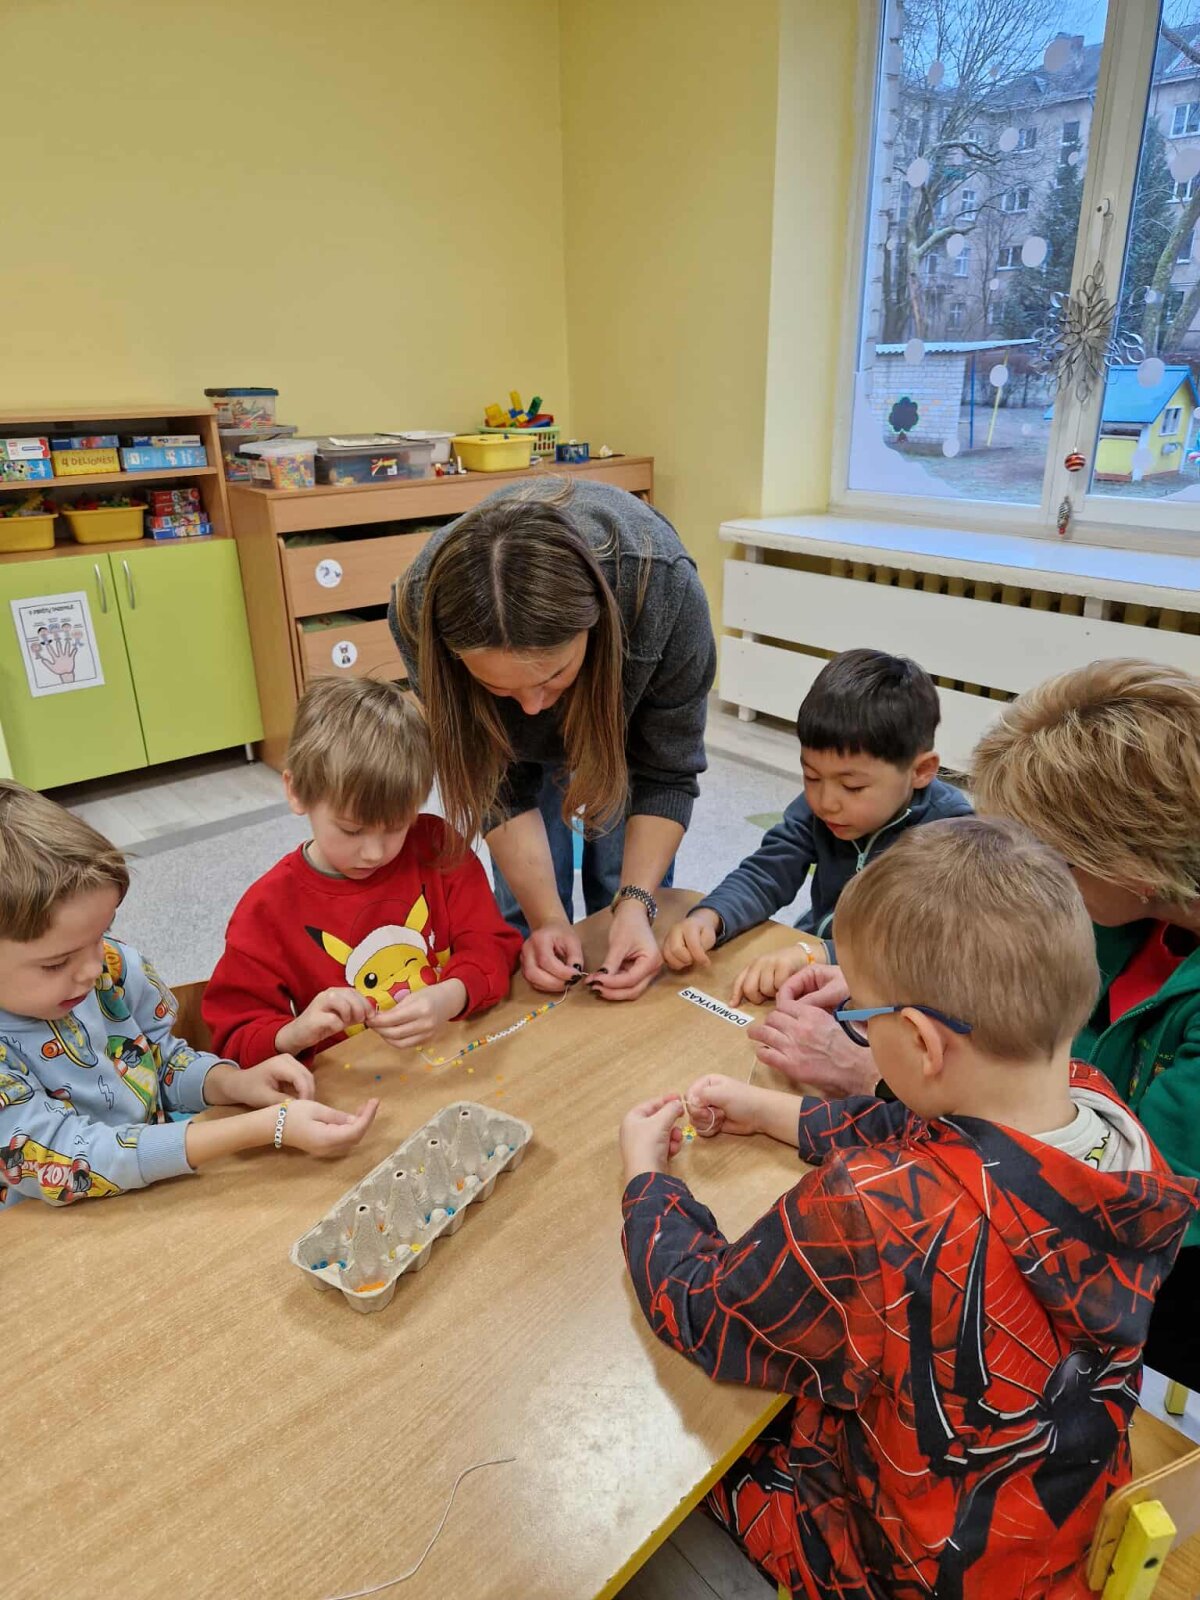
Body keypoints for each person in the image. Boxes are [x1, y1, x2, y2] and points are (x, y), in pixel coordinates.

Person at [619, 818, 1197, 1598]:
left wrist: (646, 1182)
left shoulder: (873, 1209)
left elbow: (706, 1312)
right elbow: (943, 1136)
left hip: (904, 1567)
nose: (857, 1029)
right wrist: (777, 1113)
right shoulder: (1114, 1123)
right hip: (1049, 1524)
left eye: (860, 1017)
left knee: (674, 1458)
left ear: (922, 1042)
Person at [390, 477, 716, 1004]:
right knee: (527, 924)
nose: (532, 708)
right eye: (499, 687)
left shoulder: (664, 590)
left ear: (595, 625)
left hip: (626, 700)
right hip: (503, 746)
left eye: (553, 676)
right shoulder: (417, 607)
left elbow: (665, 771)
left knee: (620, 887)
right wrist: (546, 919)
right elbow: (495, 783)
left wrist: (635, 904)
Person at [972, 658, 1200, 1388]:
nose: (1034, 881)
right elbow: (1015, 979)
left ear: (1131, 861)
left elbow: (1116, 1200)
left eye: (1053, 863)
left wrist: (894, 1082)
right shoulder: (1129, 910)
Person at [0, 782, 377, 1209]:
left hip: (159, 1196)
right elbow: (73, 1159)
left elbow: (159, 1061)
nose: (92, 968)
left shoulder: (109, 967)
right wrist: (260, 1128)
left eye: (101, 934)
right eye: (56, 963)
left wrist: (232, 1082)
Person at [204, 677, 522, 1066]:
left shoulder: (437, 847)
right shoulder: (267, 909)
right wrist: (295, 1032)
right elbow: (233, 1041)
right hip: (352, 1086)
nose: (374, 853)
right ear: (297, 792)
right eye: (352, 830)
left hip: (454, 1058)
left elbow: (494, 945)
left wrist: (451, 994)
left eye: (396, 827)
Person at [663, 647, 971, 1005]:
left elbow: (926, 948)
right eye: (811, 776)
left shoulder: (951, 835)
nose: (826, 802)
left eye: (852, 786)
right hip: (816, 944)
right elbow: (768, 871)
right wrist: (711, 916)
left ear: (921, 771)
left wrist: (821, 954)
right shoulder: (819, 809)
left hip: (888, 984)